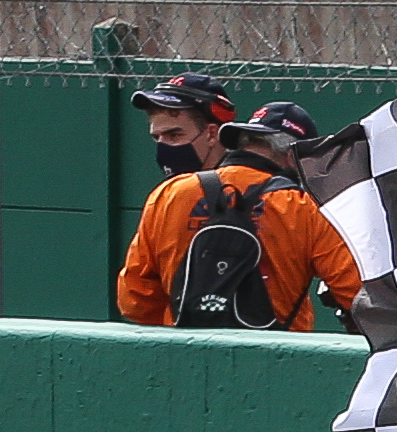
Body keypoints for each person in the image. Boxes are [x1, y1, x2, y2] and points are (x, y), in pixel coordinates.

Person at [115, 98, 361, 330]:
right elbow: (355, 294)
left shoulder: (169, 194)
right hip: (275, 359)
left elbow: (134, 298)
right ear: (294, 156)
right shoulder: (303, 206)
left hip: (183, 355)